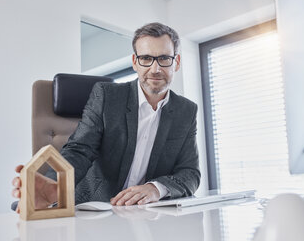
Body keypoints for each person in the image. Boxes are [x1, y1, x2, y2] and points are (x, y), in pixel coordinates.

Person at [12, 22, 200, 211]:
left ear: (176, 63)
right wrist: (55, 186)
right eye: (146, 58)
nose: (155, 69)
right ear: (135, 62)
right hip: (96, 209)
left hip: (146, 214)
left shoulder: (186, 111)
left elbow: (190, 173)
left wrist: (156, 189)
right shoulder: (107, 95)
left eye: (164, 58)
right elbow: (80, 149)